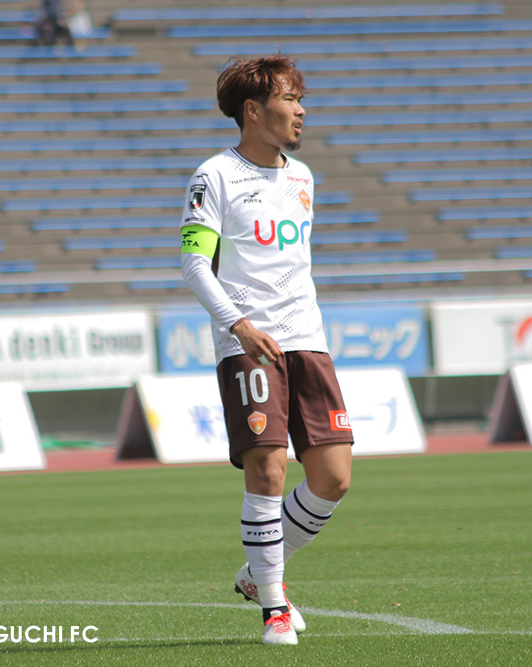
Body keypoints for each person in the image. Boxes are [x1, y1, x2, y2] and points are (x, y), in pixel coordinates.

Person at [179, 56, 354, 646]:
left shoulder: (303, 178)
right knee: (268, 468)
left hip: (308, 339)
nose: (301, 110)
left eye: (300, 98)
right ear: (253, 111)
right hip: (247, 344)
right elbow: (194, 265)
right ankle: (274, 607)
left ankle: (257, 573)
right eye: (289, 98)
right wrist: (240, 326)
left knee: (333, 478)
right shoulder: (214, 176)